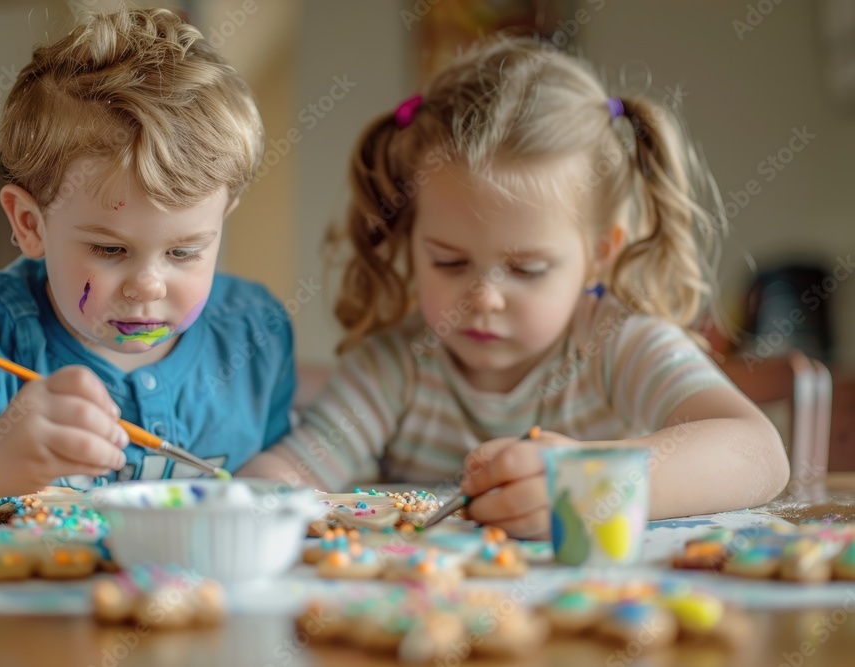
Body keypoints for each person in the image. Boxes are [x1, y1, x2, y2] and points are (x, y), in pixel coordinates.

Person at [240, 36, 789, 537]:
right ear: (411, 240)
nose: (484, 298)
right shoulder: (395, 369)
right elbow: (289, 472)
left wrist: (594, 480)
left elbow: (758, 454)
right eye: (450, 262)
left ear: (599, 255)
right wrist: (256, 498)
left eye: (527, 269)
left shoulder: (619, 346)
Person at [0, 9, 294, 526]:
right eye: (110, 250)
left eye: (184, 252)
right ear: (30, 224)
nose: (148, 285)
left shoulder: (256, 330)